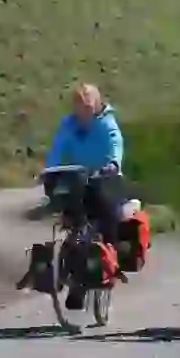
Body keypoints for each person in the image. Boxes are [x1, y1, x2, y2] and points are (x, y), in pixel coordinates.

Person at [30, 82, 128, 307]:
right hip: (77, 179)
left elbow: (115, 145)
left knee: (104, 214)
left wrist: (112, 164)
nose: (82, 111)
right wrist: (50, 171)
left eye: (86, 105)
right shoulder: (68, 125)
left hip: (104, 179)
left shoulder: (106, 124)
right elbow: (57, 150)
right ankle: (67, 273)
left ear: (96, 104)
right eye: (78, 106)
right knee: (72, 221)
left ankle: (109, 261)